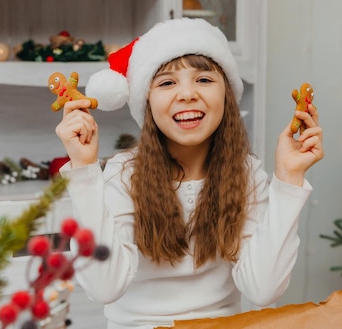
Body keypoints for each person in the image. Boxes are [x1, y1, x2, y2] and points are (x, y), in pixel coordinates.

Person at [55, 18, 324, 329]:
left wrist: (288, 180)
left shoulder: (246, 173)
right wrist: (85, 172)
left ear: (226, 95)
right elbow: (104, 287)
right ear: (147, 102)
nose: (187, 94)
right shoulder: (123, 174)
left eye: (204, 80)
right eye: (167, 83)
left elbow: (262, 291)